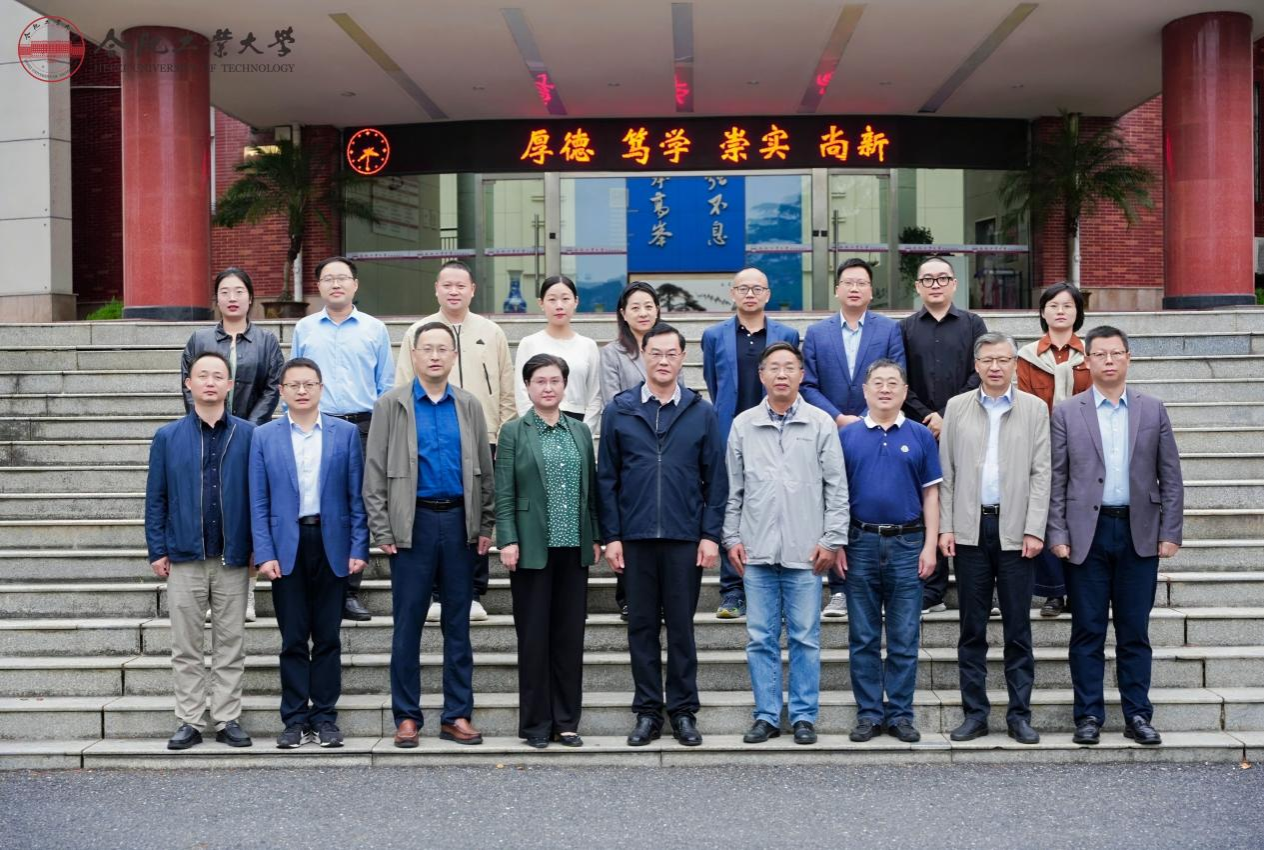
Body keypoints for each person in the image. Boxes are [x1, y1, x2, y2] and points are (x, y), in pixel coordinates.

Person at [1048, 326, 1184, 747]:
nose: (1108, 361)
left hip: (1138, 532)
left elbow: (1171, 476)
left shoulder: (1152, 409)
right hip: (1085, 534)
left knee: (1134, 630)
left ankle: (1137, 715)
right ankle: (1088, 715)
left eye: (1116, 353)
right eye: (1100, 354)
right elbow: (1056, 478)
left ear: (1128, 358)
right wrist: (1057, 531)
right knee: (1087, 630)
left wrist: (1170, 531)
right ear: (1086, 361)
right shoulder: (1067, 412)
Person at [363, 322, 494, 748]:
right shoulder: (391, 405)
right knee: (408, 625)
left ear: (454, 356)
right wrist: (382, 527)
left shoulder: (469, 405)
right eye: (427, 349)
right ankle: (407, 717)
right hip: (412, 525)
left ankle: (457, 715)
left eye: (443, 349)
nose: (435, 356)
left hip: (459, 524)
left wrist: (485, 524)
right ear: (414, 355)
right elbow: (374, 472)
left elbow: (485, 471)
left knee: (458, 625)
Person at [598, 322, 727, 748]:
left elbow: (716, 480)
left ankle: (684, 711)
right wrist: (612, 535)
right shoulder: (620, 410)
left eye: (672, 354)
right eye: (656, 353)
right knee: (641, 627)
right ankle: (648, 712)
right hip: (634, 538)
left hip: (684, 537)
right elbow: (606, 479)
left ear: (683, 358)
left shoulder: (700, 411)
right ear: (643, 355)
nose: (664, 361)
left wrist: (710, 535)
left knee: (682, 629)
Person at [723, 342, 848, 746]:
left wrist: (832, 540)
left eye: (789, 367)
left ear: (801, 375)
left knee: (805, 638)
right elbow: (733, 489)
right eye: (773, 367)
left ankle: (804, 716)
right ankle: (765, 716)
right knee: (760, 638)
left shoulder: (820, 423)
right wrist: (731, 537)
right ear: (761, 375)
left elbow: (836, 488)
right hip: (756, 549)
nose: (781, 374)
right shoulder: (744, 425)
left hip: (806, 551)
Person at [248, 357, 369, 749]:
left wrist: (358, 546)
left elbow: (357, 496)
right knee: (294, 638)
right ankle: (295, 719)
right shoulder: (264, 436)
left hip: (332, 543)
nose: (302, 391)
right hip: (287, 546)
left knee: (329, 637)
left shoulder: (344, 434)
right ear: (281, 391)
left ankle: (326, 718)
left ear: (321, 388)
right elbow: (258, 501)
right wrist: (264, 552)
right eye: (294, 385)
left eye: (309, 384)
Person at [937, 333, 1050, 745]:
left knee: (1018, 628)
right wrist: (947, 526)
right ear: (977, 365)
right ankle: (975, 714)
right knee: (972, 628)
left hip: (1017, 530)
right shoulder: (957, 407)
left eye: (1003, 359)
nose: (996, 367)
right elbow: (947, 472)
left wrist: (1035, 527)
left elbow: (1042, 473)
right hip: (971, 530)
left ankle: (1019, 715)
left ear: (1015, 364)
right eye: (987, 360)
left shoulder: (1034, 409)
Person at [145, 351, 255, 751]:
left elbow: (258, 496)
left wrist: (258, 548)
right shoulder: (168, 437)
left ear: (230, 385)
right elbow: (156, 498)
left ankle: (227, 718)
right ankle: (189, 720)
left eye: (218, 376)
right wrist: (157, 549)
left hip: (233, 557)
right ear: (188, 384)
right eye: (202, 375)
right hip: (184, 556)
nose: (210, 382)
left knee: (231, 643)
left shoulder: (249, 435)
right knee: (186, 646)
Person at [397, 260, 516, 623]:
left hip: (483, 435)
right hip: (429, 437)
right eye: (446, 285)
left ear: (472, 290)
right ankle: (436, 593)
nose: (453, 291)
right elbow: (403, 386)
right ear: (436, 289)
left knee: (476, 512)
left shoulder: (491, 332)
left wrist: (503, 433)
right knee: (436, 514)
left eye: (460, 285)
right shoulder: (417, 332)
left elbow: (506, 387)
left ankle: (474, 591)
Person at [495, 354, 601, 749]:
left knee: (569, 638)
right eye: (540, 381)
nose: (548, 387)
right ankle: (536, 724)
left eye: (555, 380)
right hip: (531, 548)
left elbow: (591, 490)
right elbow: (504, 491)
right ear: (527, 386)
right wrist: (507, 538)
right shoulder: (513, 431)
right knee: (534, 639)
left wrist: (595, 534)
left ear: (565, 385)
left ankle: (567, 722)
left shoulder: (579, 430)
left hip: (573, 547)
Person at [839, 359, 940, 744]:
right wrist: (838, 543)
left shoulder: (920, 435)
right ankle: (868, 713)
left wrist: (930, 546)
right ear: (865, 391)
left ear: (904, 391)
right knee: (863, 636)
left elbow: (931, 494)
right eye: (877, 383)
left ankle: (899, 714)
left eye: (892, 383)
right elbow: (835, 495)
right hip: (859, 543)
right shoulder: (847, 437)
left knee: (904, 636)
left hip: (908, 544)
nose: (885, 389)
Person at [291, 256, 394, 622]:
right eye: (328, 279)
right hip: (317, 424)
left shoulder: (374, 329)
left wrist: (381, 431)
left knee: (356, 504)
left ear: (355, 284)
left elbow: (386, 385)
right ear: (318, 286)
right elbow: (295, 378)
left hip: (362, 426)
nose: (336, 284)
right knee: (315, 501)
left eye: (342, 278)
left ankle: (349, 590)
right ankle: (314, 585)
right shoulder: (305, 328)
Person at [802, 258, 906, 620]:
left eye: (862, 283)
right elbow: (808, 384)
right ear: (837, 290)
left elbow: (896, 376)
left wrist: (864, 418)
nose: (855, 288)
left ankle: (880, 586)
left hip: (876, 429)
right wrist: (838, 417)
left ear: (871, 291)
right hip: (829, 430)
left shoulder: (888, 330)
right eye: (848, 282)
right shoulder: (817, 333)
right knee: (833, 502)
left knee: (869, 501)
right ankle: (839, 589)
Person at [181, 267, 285, 623]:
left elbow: (272, 387)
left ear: (250, 297)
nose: (232, 298)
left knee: (247, 511)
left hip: (253, 438)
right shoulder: (199, 340)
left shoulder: (266, 341)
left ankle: (247, 593)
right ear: (217, 298)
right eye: (225, 291)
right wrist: (207, 423)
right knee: (214, 509)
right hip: (208, 434)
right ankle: (213, 590)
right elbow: (188, 385)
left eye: (239, 291)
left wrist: (247, 428)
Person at [703, 268, 801, 621]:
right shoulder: (714, 335)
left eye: (757, 288)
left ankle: (777, 587)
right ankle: (732, 591)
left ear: (768, 294)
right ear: (732, 293)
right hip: (731, 431)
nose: (750, 294)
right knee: (732, 503)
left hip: (777, 430)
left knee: (778, 503)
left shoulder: (786, 334)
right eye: (743, 288)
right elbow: (713, 382)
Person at [898, 255, 989, 615]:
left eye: (942, 278)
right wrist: (927, 416)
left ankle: (977, 589)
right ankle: (932, 589)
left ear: (954, 284)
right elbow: (899, 378)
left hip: (966, 424)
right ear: (917, 287)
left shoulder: (973, 323)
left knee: (966, 500)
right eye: (928, 279)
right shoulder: (905, 328)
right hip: (919, 429)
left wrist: (948, 414)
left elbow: (980, 371)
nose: (935, 285)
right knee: (927, 502)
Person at [598, 281, 684, 622]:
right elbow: (612, 399)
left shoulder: (669, 348)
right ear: (623, 313)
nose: (643, 312)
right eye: (635, 307)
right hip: (629, 438)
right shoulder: (611, 353)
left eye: (648, 306)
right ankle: (628, 596)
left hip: (666, 442)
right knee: (628, 518)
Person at [1017, 282, 1093, 618]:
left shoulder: (1091, 355)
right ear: (1042, 312)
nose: (1060, 311)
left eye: (1067, 305)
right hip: (1041, 443)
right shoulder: (1027, 356)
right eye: (1053, 305)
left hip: (1085, 445)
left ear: (1078, 313)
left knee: (1081, 512)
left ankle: (1081, 588)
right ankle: (1053, 592)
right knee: (1046, 513)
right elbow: (1024, 402)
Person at [514, 275, 602, 429]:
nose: (559, 306)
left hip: (578, 422)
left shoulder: (588, 346)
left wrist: (585, 432)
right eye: (552, 299)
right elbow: (522, 392)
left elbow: (595, 396)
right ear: (541, 303)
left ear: (576, 301)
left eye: (565, 299)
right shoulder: (529, 344)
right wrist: (533, 429)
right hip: (537, 423)